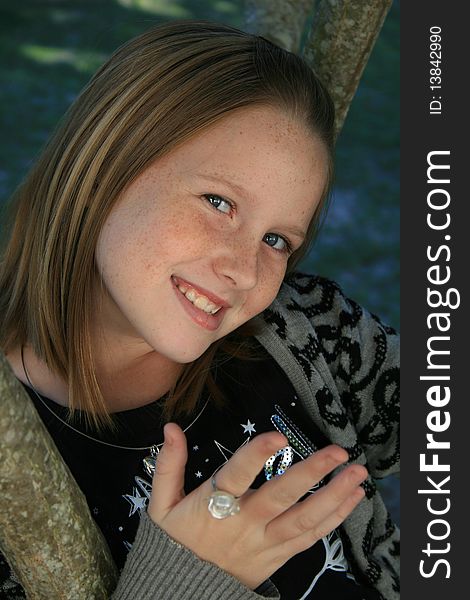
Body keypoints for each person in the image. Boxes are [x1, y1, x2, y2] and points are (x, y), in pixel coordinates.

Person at [0, 20, 399, 600]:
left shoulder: (303, 328)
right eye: (219, 202)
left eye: (277, 240)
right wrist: (183, 582)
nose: (245, 270)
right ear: (104, 167)